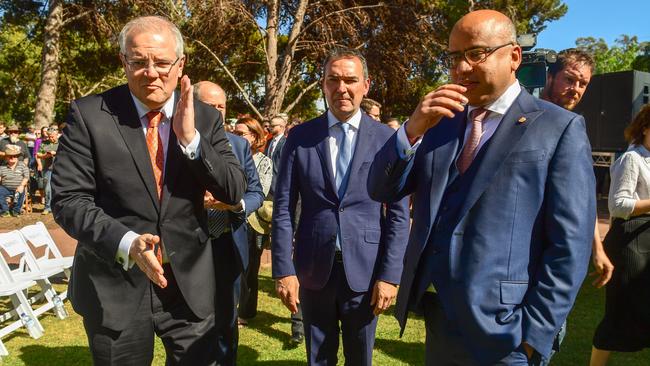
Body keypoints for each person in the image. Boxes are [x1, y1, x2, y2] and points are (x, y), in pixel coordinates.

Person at [368, 9, 595, 365]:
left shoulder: (558, 128)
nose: (461, 68)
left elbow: (570, 245)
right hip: (438, 313)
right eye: (454, 57)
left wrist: (533, 335)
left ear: (514, 56)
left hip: (508, 331)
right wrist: (411, 129)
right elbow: (381, 188)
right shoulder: (440, 123)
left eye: (476, 54)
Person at [51, 16, 246, 365]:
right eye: (138, 62)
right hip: (115, 282)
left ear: (180, 64)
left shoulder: (205, 117)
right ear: (123, 62)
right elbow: (69, 200)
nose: (151, 72)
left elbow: (233, 190)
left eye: (161, 62)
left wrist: (192, 141)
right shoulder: (90, 114)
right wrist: (126, 242)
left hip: (189, 286)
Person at [272, 48, 410, 365]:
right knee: (318, 358)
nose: (342, 88)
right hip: (312, 268)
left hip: (366, 270)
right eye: (333, 80)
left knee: (360, 357)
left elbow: (398, 216)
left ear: (366, 85)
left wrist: (390, 275)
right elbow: (282, 208)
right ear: (323, 84)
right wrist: (283, 269)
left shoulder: (387, 139)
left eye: (350, 80)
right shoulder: (300, 137)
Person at [539, 48, 608, 364]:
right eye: (569, 79)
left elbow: (582, 198)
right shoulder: (526, 117)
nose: (576, 89)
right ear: (551, 77)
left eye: (583, 84)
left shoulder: (573, 126)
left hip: (555, 257)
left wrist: (597, 248)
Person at [193, 81, 264, 364]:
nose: (217, 112)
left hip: (227, 241)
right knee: (189, 321)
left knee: (226, 318)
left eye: (221, 106)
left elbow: (256, 192)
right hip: (190, 244)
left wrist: (237, 204)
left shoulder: (238, 144)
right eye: (209, 106)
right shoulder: (174, 139)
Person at [590, 104, 650, 366]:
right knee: (620, 314)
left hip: (647, 237)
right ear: (646, 128)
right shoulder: (632, 158)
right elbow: (618, 206)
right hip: (630, 241)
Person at [231, 117, 273, 323]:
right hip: (232, 219)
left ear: (255, 136)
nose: (236, 136)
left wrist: (235, 195)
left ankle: (246, 312)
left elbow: (261, 191)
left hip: (254, 223)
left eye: (241, 134)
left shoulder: (264, 162)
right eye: (235, 132)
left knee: (250, 269)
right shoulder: (230, 155)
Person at [0, 144, 29, 216]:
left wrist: (22, 185)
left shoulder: (22, 165)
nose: (12, 157)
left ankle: (16, 210)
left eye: (15, 156)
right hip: (5, 188)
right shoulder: (2, 167)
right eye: (10, 156)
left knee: (21, 192)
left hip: (18, 186)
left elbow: (26, 177)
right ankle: (4, 210)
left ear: (17, 157)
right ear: (6, 157)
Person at [36, 128, 58, 215]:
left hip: (60, 169)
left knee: (59, 189)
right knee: (48, 189)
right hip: (48, 169)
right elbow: (38, 154)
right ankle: (47, 207)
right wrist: (46, 155)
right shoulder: (44, 143)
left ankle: (58, 207)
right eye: (49, 137)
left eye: (52, 137)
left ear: (57, 135)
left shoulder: (62, 143)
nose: (51, 138)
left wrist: (56, 153)